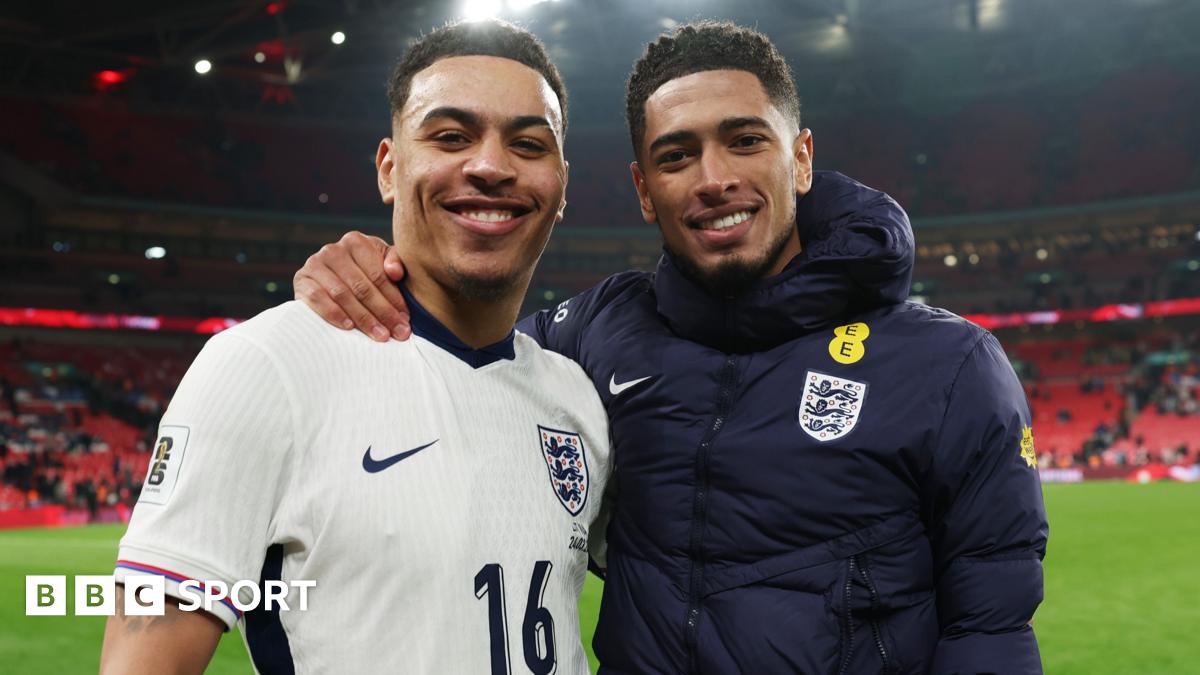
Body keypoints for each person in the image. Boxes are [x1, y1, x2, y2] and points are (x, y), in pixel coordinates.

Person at [295, 21, 1049, 674]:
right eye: (677, 155)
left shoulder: (948, 368)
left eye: (745, 141)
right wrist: (370, 268)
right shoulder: (592, 335)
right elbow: (458, 348)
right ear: (644, 188)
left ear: (802, 158)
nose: (714, 178)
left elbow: (991, 629)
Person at [101, 20, 611, 674]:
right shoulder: (265, 365)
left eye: (529, 143)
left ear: (562, 185)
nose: (489, 165)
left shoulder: (576, 398)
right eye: (451, 136)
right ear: (389, 169)